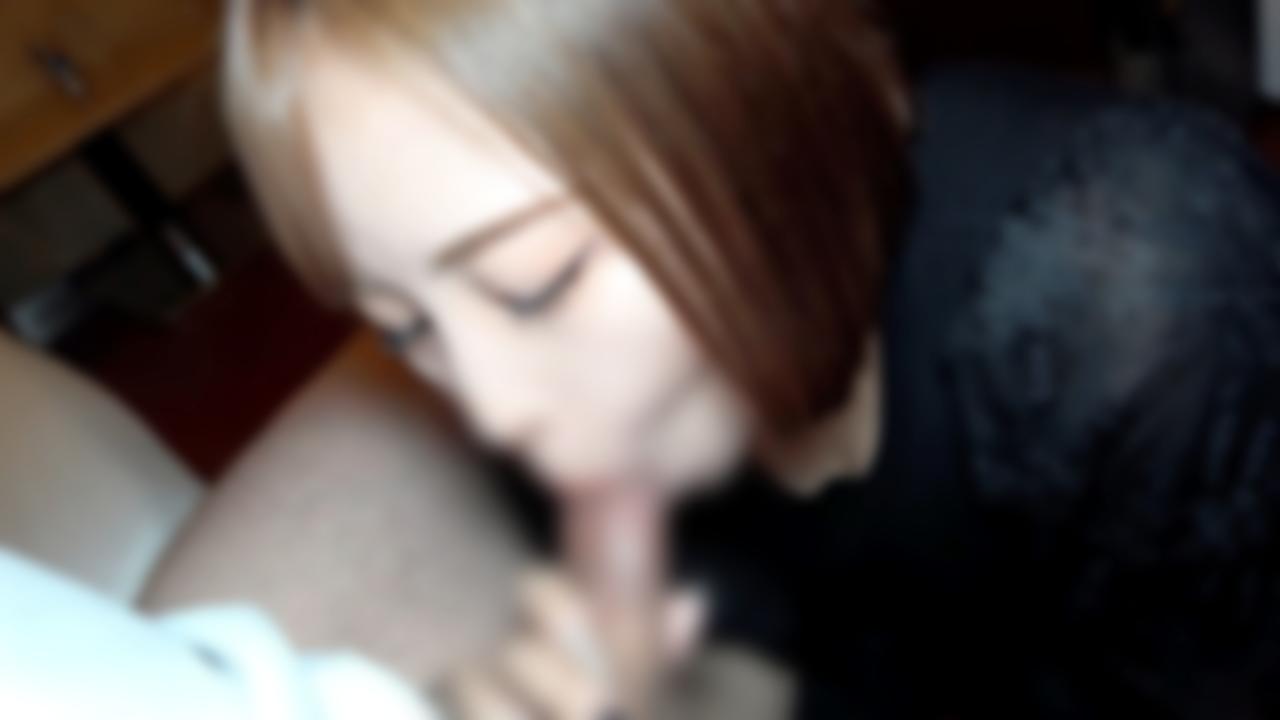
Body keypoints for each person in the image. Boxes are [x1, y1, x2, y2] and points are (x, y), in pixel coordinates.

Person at [188, 0, 1280, 716]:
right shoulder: (626, 407)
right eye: (401, 325)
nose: (494, 408)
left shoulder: (1136, 300)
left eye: (533, 284)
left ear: (755, 118)